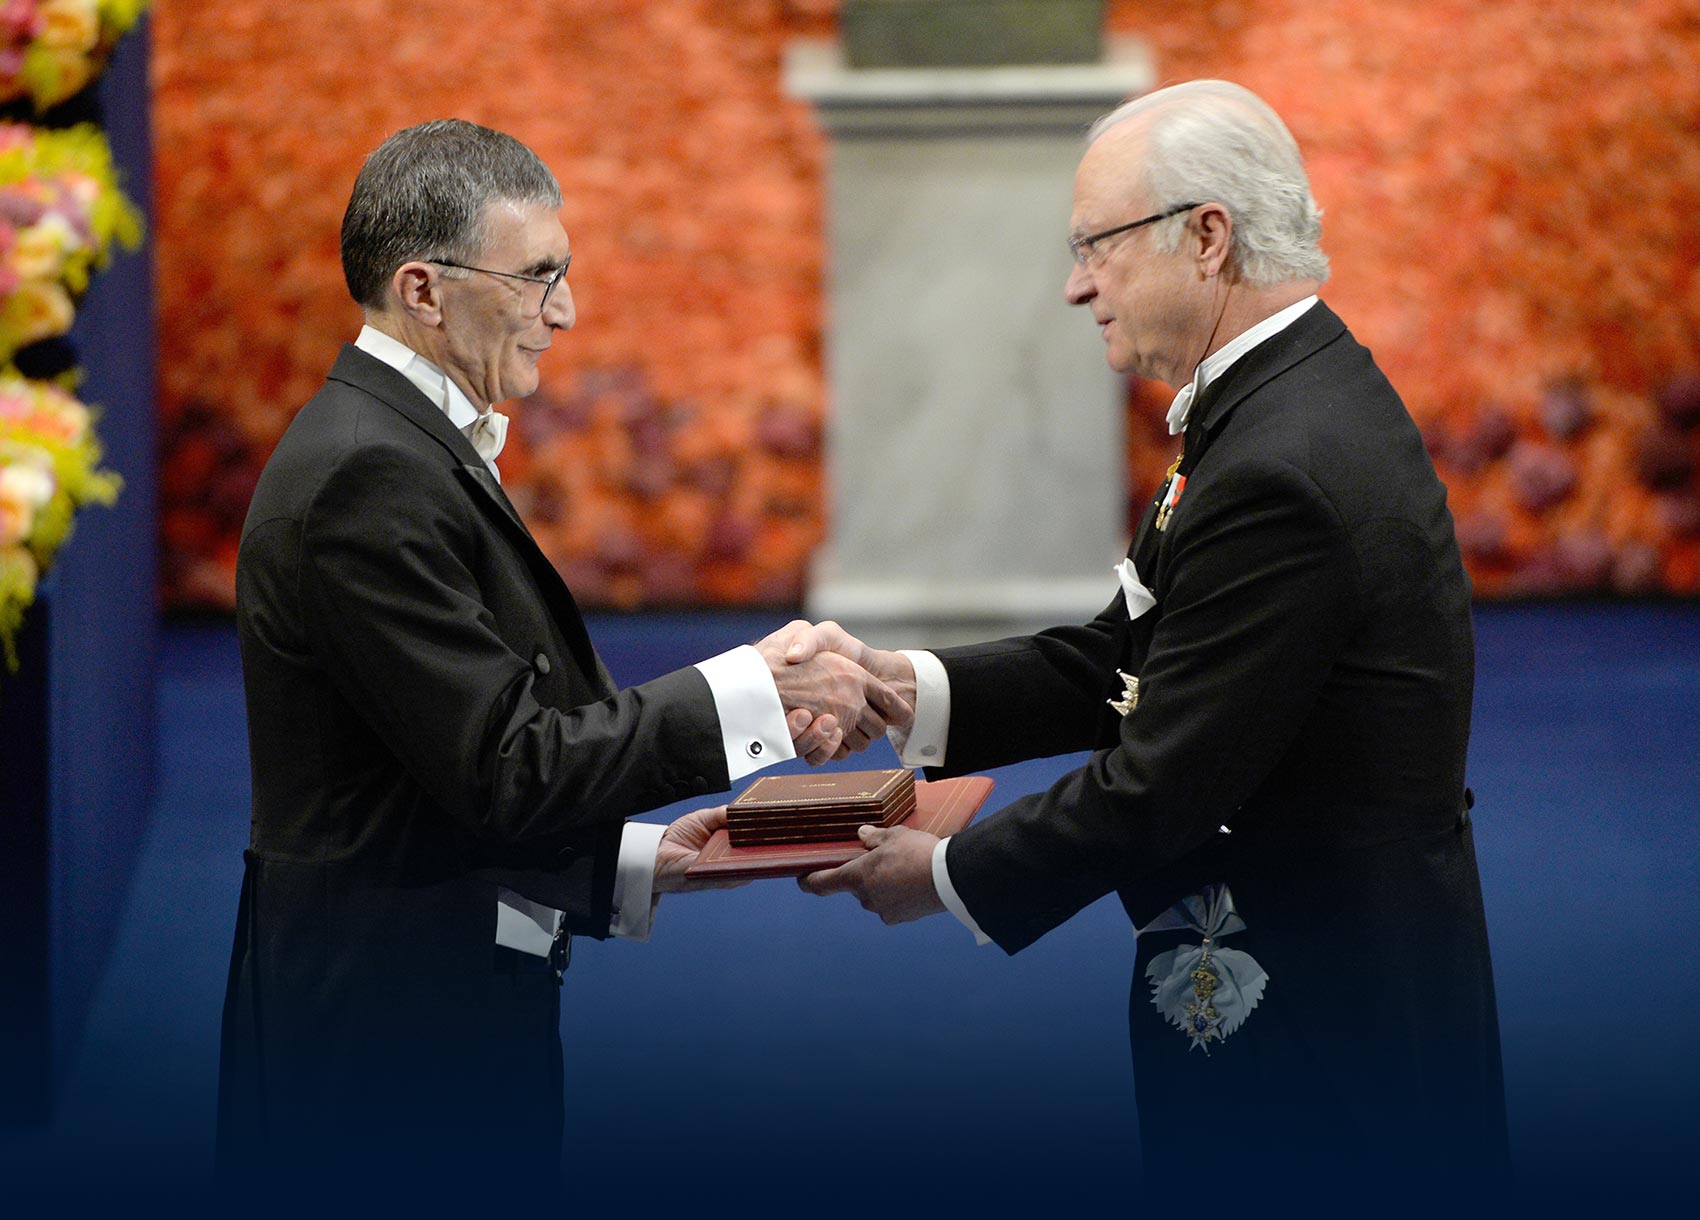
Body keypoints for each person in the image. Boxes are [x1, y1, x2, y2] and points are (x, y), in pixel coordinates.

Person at [795, 81, 1509, 1191]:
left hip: (1318, 1031)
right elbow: (1129, 658)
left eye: (1095, 245)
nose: (1076, 284)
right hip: (1315, 986)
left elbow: (1163, 779)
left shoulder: (1278, 458)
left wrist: (940, 872)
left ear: (1206, 236)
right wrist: (910, 690)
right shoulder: (1278, 398)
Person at [217, 119, 905, 1195]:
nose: (565, 310)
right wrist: (752, 690)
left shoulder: (405, 443)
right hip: (383, 1047)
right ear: (423, 289)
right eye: (538, 274)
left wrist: (631, 860)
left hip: (415, 1007)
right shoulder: (369, 474)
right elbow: (504, 764)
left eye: (563, 271)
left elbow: (431, 767)